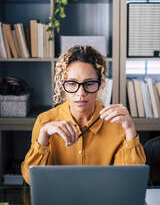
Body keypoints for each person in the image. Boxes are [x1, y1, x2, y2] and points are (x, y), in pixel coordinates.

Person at [21, 45, 146, 184]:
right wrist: (44, 135)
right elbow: (30, 179)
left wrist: (130, 130)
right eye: (72, 83)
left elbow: (130, 180)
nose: (81, 93)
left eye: (90, 83)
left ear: (101, 84)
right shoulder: (44, 121)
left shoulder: (117, 123)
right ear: (63, 85)